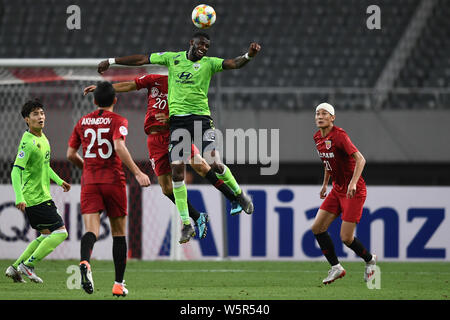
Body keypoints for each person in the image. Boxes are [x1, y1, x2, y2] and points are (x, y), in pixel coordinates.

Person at [97, 32, 260, 243]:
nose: (204, 48)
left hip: (201, 119)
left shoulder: (209, 63)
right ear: (191, 42)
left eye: (207, 46)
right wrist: (111, 63)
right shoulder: (171, 60)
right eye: (201, 44)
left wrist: (248, 55)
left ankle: (239, 196)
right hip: (178, 124)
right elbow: (141, 60)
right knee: (176, 173)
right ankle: (186, 223)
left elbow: (233, 63)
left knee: (214, 163)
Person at [83, 74, 243, 242]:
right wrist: (104, 90)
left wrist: (170, 119)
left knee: (200, 165)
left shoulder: (185, 87)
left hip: (175, 133)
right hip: (154, 140)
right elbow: (130, 85)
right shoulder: (155, 80)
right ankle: (198, 217)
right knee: (166, 188)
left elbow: (191, 112)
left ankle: (233, 197)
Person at [67, 81, 151, 296]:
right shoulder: (119, 120)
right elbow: (119, 146)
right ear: (115, 100)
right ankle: (118, 284)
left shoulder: (82, 122)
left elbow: (70, 155)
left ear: (94, 101)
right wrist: (138, 172)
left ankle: (85, 261)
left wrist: (87, 168)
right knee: (119, 233)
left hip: (90, 181)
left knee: (91, 230)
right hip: (113, 180)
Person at [5, 99, 70, 284]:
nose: (40, 117)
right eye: (35, 114)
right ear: (27, 119)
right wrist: (19, 197)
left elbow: (45, 166)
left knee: (46, 234)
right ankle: (28, 265)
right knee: (61, 233)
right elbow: (15, 170)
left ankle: (15, 267)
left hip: (41, 196)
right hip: (35, 198)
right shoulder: (28, 143)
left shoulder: (43, 138)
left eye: (41, 113)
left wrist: (59, 181)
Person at [311, 102, 376, 285]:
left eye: (324, 113)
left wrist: (353, 183)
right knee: (317, 228)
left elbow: (360, 159)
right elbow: (327, 162)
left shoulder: (339, 135)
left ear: (332, 118)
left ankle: (370, 260)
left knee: (346, 238)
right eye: (317, 113)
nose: (320, 116)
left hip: (353, 191)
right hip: (337, 189)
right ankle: (336, 268)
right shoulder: (317, 137)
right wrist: (325, 184)